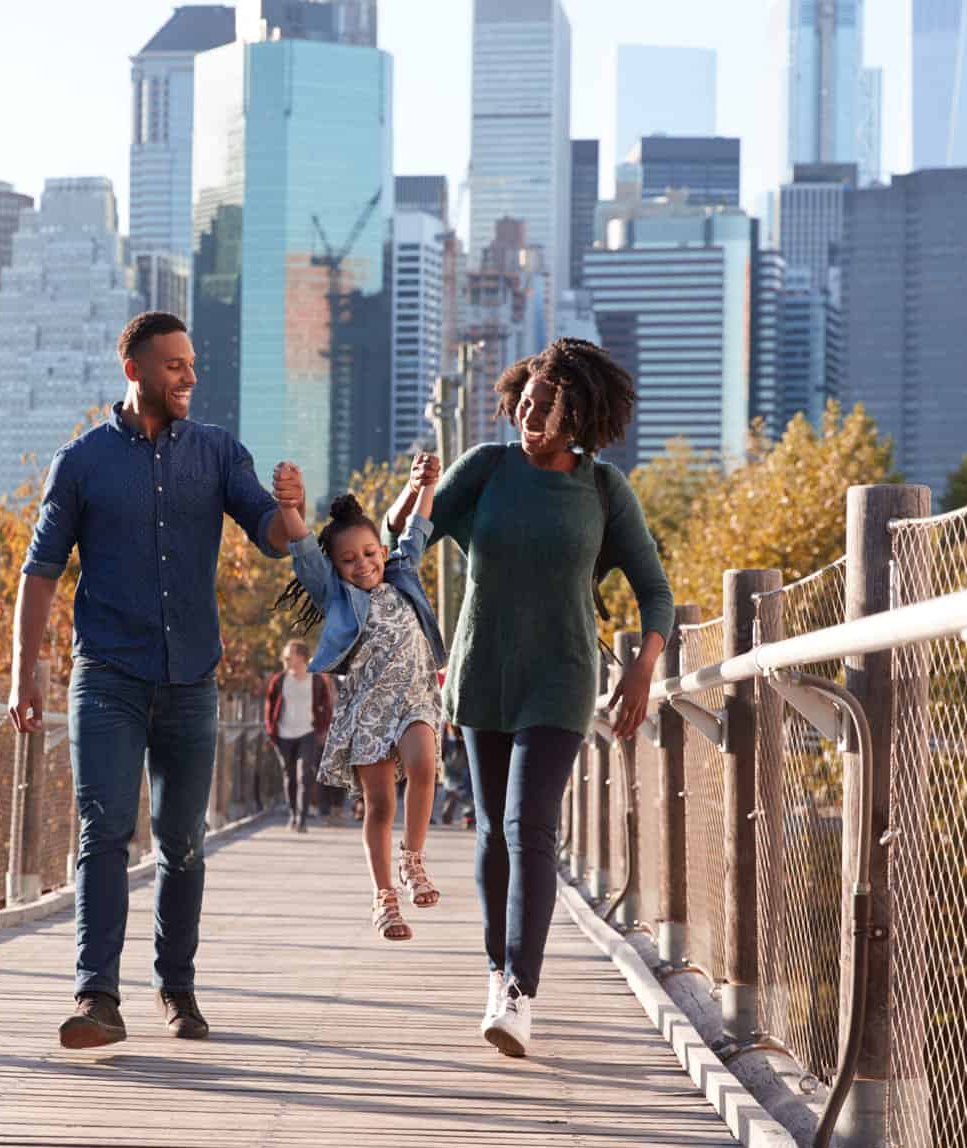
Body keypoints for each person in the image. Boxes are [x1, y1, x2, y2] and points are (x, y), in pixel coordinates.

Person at [7, 310, 306, 1051]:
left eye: (193, 365)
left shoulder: (217, 452)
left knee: (183, 842)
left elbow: (269, 534)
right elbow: (39, 573)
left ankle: (177, 987)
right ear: (134, 369)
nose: (190, 377)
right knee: (103, 831)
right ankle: (97, 997)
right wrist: (25, 676)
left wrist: (292, 511)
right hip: (106, 674)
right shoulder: (80, 463)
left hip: (190, 680)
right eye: (174, 365)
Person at [423, 337, 673, 1058]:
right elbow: (403, 543)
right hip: (483, 673)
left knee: (529, 825)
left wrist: (642, 667)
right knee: (493, 834)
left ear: (579, 417)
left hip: (560, 677)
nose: (530, 417)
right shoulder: (488, 469)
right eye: (525, 402)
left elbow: (655, 593)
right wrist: (413, 497)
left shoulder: (602, 490)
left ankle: (519, 993)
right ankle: (496, 969)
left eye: (547, 409)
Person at [272, 454, 448, 941]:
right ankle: (384, 898)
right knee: (379, 805)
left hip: (413, 697)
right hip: (367, 707)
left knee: (424, 765)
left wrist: (424, 484)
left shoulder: (402, 570)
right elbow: (303, 546)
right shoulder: (334, 594)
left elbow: (418, 526)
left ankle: (413, 861)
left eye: (370, 553)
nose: (364, 564)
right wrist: (289, 504)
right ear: (336, 567)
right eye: (349, 560)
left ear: (381, 548)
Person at [265, 640, 331, 832]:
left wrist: (320, 728)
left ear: (302, 657)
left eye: (290, 654)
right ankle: (292, 814)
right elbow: (270, 708)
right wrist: (272, 732)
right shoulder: (279, 680)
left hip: (307, 733)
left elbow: (326, 707)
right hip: (284, 734)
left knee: (304, 775)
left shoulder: (316, 680)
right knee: (289, 776)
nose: (286, 657)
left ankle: (302, 820)